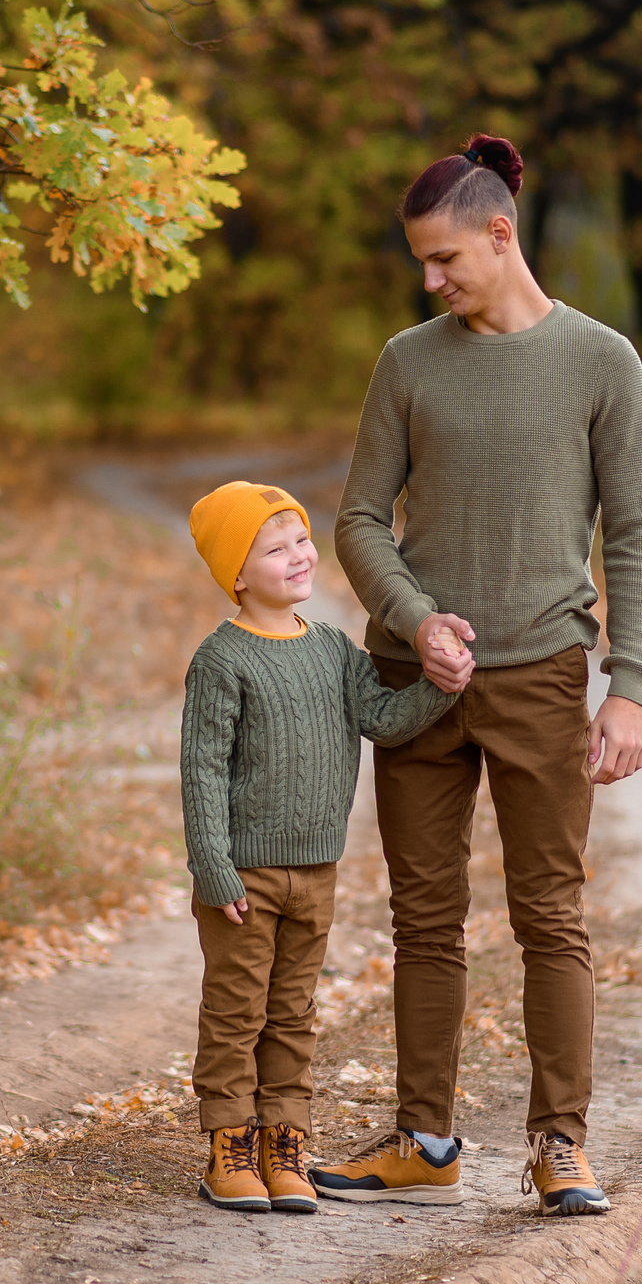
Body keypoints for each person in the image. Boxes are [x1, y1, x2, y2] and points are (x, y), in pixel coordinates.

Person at [309, 134, 642, 1216]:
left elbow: (634, 530)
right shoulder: (407, 361)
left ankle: (561, 1142)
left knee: (550, 915)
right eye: (421, 263)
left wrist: (630, 682)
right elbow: (359, 521)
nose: (429, 281)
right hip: (416, 685)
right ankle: (424, 1139)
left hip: (543, 676)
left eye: (443, 258)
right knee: (424, 917)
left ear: (499, 236)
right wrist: (413, 621)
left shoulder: (603, 362)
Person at [178, 481, 467, 1212]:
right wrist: (213, 867)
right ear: (237, 574)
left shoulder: (334, 651)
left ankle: (286, 1142)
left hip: (316, 872)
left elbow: (383, 716)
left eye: (302, 539)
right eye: (276, 549)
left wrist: (440, 685)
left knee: (295, 1014)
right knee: (237, 1011)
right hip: (242, 877)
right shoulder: (223, 660)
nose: (300, 555)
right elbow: (203, 769)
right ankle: (228, 1145)